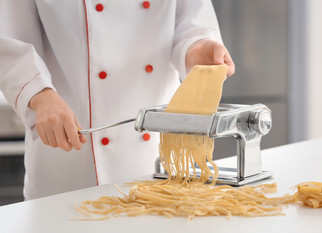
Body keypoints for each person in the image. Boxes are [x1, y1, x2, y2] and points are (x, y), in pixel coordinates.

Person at [0, 0, 235, 200]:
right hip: (70, 159)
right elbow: (8, 38)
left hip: (157, 154)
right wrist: (40, 95)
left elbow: (191, 21)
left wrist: (197, 48)